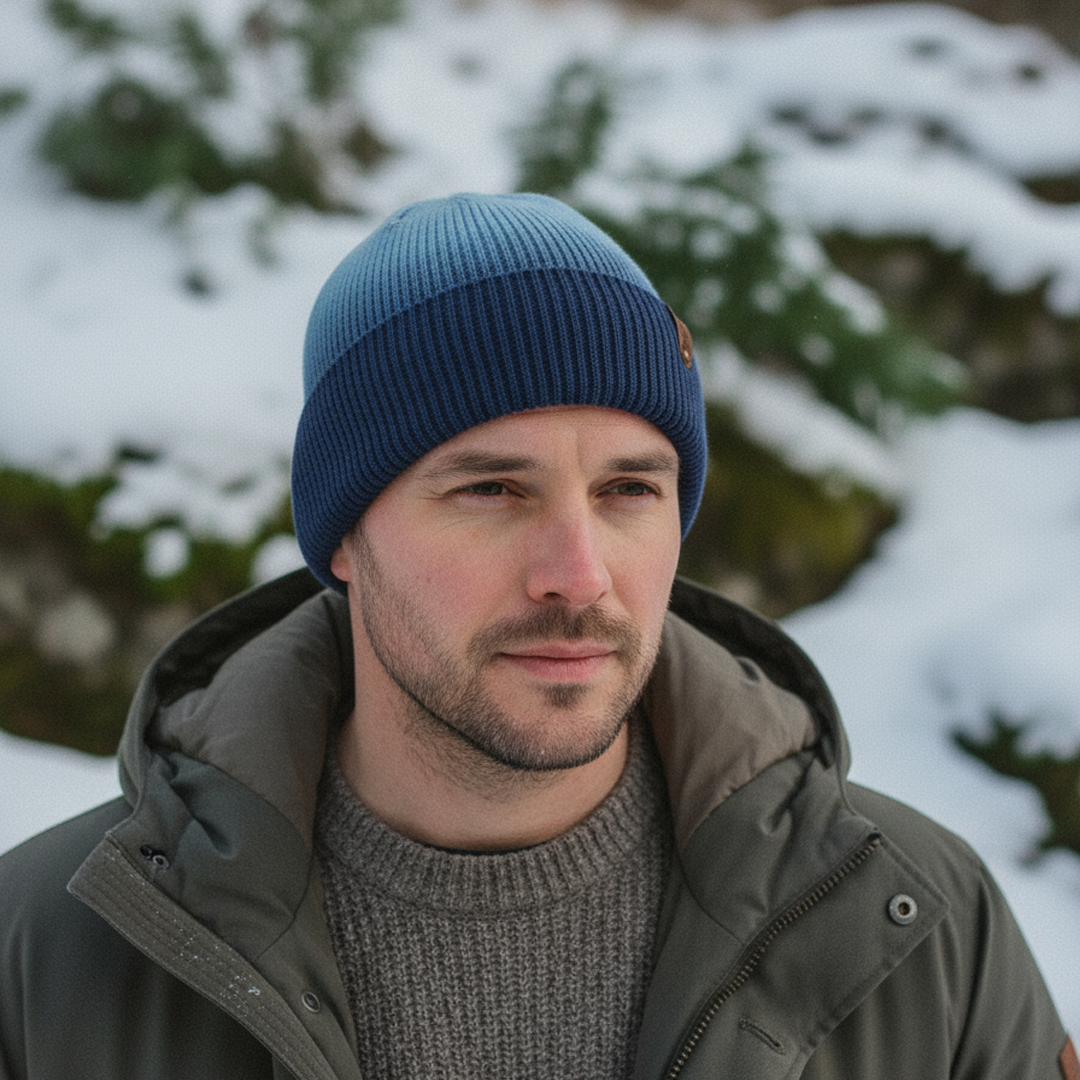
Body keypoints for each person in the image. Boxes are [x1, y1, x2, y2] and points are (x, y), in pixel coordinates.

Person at [0, 193, 1071, 1080]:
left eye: (629, 490)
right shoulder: (49, 952)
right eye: (492, 490)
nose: (579, 573)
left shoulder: (914, 925)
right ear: (343, 538)